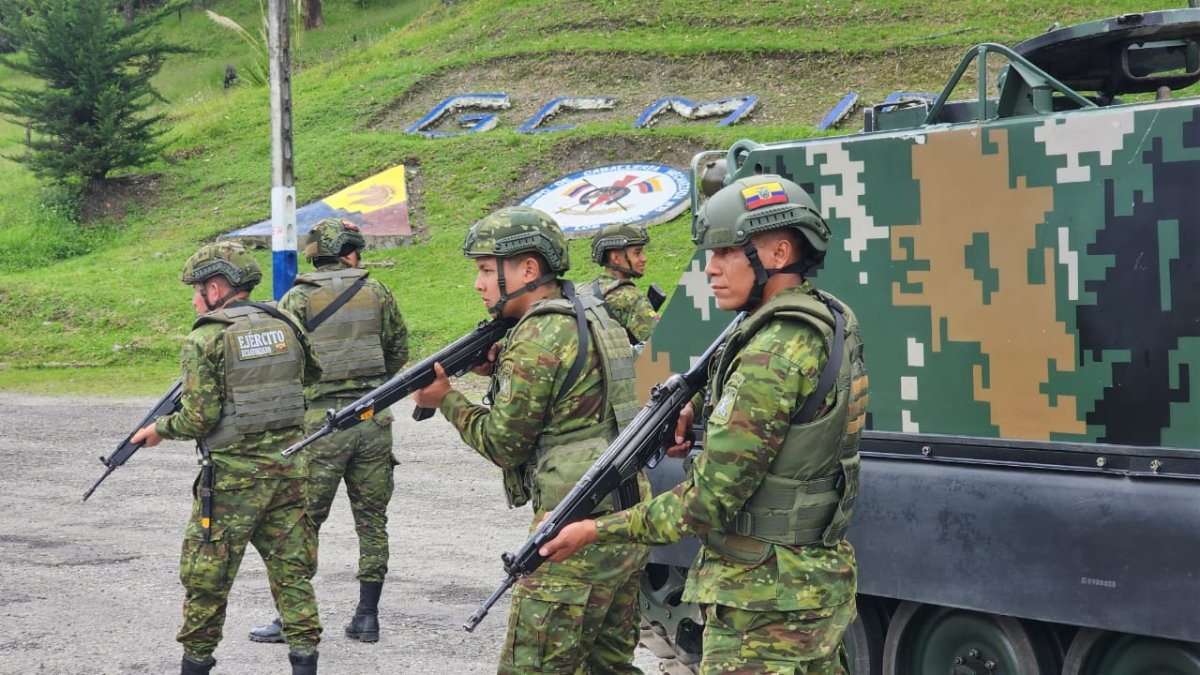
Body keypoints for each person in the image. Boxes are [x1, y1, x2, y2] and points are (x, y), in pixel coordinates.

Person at [540, 175, 870, 674]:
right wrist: (709, 409)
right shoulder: (829, 316)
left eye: (726, 254)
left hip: (761, 605)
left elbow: (707, 503)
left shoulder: (769, 353)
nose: (710, 270)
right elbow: (799, 425)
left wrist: (594, 529)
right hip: (812, 583)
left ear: (778, 252)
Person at [412, 206, 650, 675]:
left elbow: (503, 444)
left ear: (527, 269)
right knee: (610, 667)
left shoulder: (538, 334)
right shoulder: (592, 309)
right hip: (624, 517)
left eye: (485, 270)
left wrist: (447, 399)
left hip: (572, 526)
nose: (478, 284)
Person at [130, 241, 324, 675]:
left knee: (206, 582)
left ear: (217, 287)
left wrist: (158, 430)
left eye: (197, 289)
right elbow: (311, 377)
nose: (194, 298)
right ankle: (305, 665)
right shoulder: (286, 322)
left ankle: (196, 663)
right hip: (290, 473)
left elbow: (200, 418)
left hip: (232, 485)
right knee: (293, 577)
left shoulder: (206, 337)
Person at [249, 218, 409, 644]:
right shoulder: (378, 292)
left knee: (304, 522)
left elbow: (284, 363)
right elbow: (398, 351)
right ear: (350, 251)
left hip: (320, 427)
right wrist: (369, 387)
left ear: (315, 252)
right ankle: (367, 616)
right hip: (373, 421)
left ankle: (291, 619)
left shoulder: (297, 298)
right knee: (372, 521)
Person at [585, 223, 658, 344]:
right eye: (637, 253)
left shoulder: (588, 289)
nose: (644, 258)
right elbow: (661, 342)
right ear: (616, 258)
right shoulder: (631, 297)